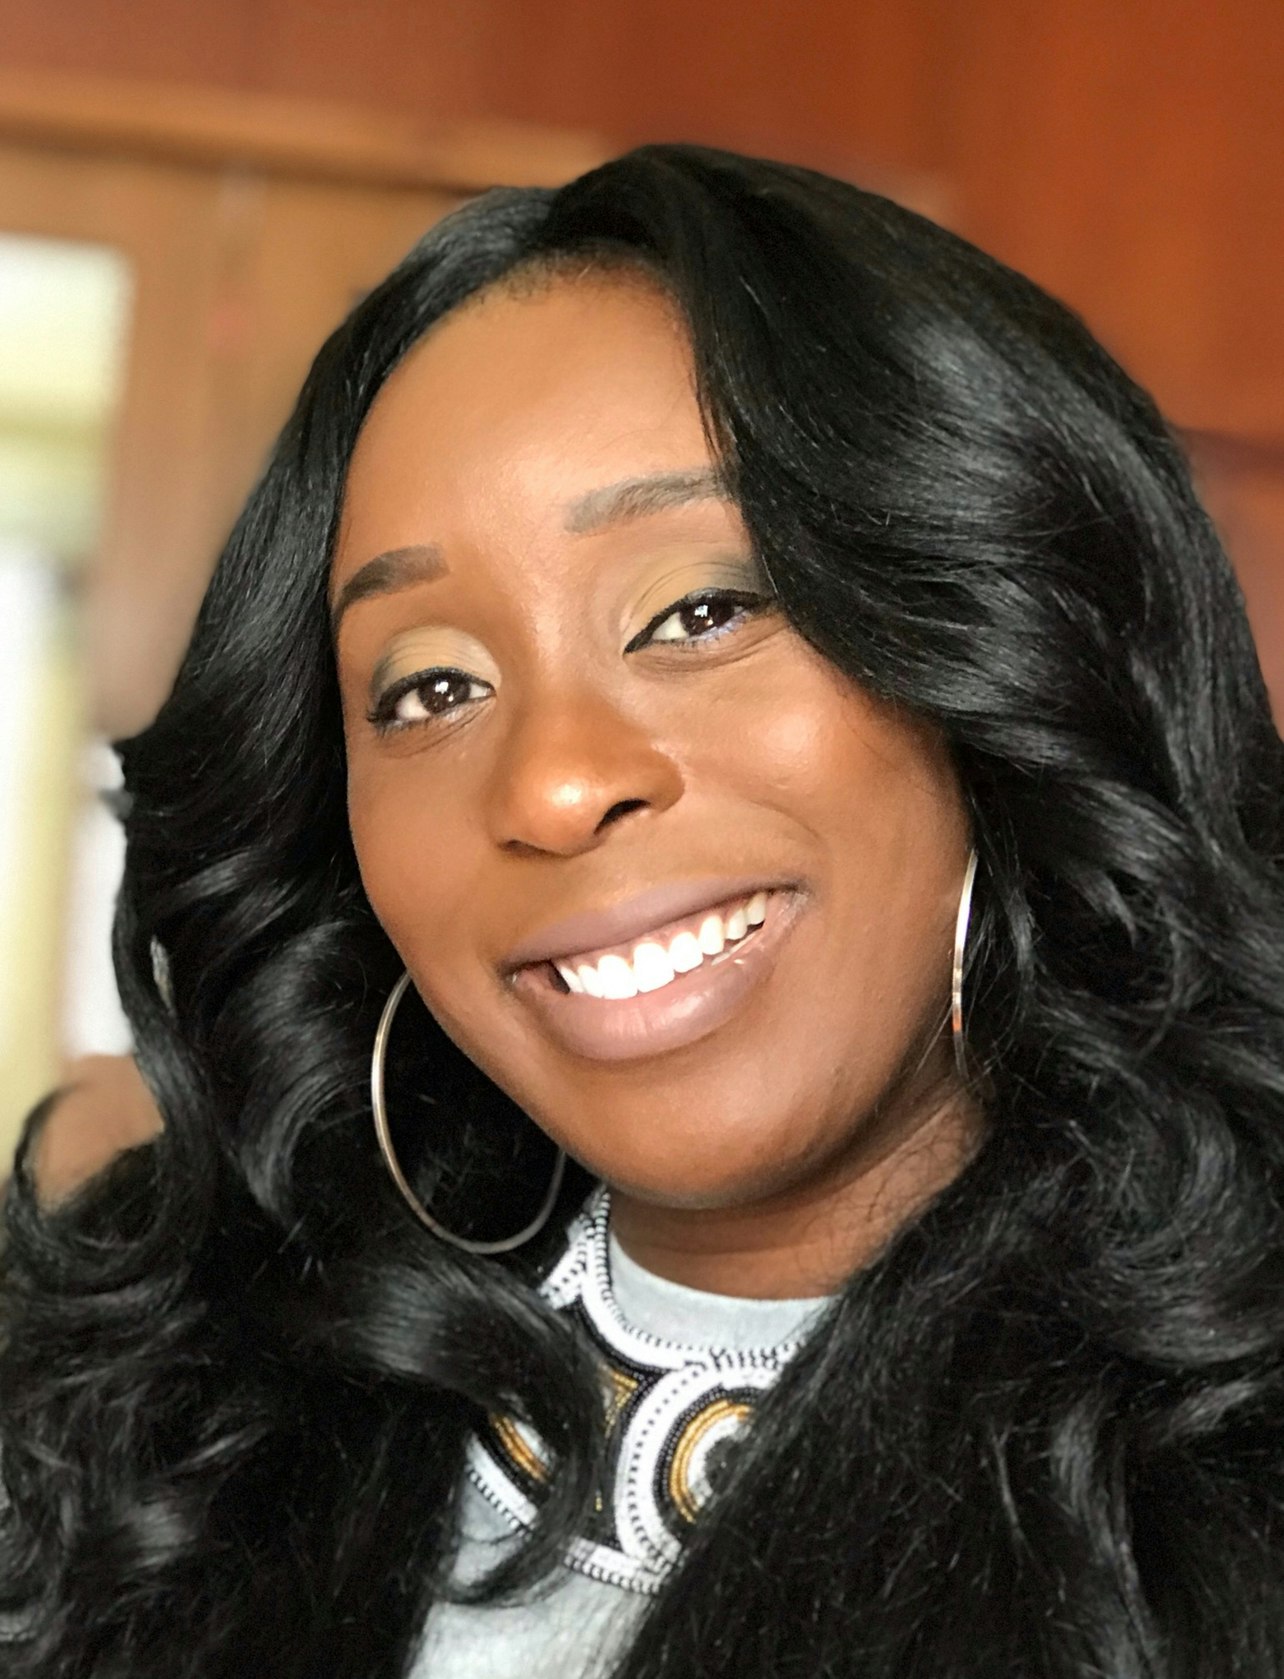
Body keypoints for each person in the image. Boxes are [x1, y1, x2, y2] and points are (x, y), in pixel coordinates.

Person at [2, 143, 1283, 1679]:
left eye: (701, 611)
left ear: (1006, 666)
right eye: (431, 687)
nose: (549, 787)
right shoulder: (130, 1425)